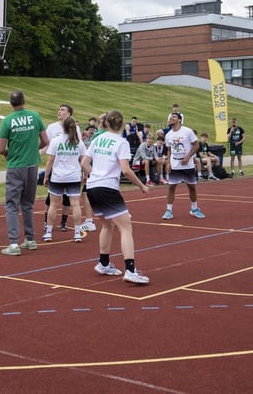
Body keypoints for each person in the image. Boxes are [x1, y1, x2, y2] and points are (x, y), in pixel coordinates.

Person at [81, 109, 150, 284]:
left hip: (92, 187)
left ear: (107, 123)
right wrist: (141, 185)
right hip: (107, 188)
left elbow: (84, 163)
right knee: (126, 228)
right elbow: (126, 169)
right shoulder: (121, 142)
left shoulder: (97, 139)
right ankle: (130, 270)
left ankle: (103, 263)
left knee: (107, 225)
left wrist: (95, 175)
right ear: (121, 123)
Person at [0, 90, 48, 256]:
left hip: (15, 166)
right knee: (27, 204)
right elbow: (45, 141)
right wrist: (34, 149)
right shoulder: (35, 116)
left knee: (12, 205)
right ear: (23, 101)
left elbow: (0, 148)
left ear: (11, 103)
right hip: (32, 165)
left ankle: (13, 244)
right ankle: (30, 239)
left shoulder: (7, 121)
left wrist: (7, 154)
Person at [43, 116, 86, 243]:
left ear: (63, 127)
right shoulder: (79, 142)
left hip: (58, 177)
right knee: (75, 204)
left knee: (53, 205)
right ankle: (77, 232)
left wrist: (46, 176)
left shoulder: (56, 141)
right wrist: (85, 175)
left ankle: (49, 232)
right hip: (73, 176)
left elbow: (50, 160)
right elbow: (83, 161)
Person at [162, 112, 204, 219]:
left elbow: (196, 145)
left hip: (187, 164)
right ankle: (169, 210)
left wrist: (188, 157)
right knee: (171, 187)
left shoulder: (187, 131)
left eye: (174, 117)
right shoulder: (168, 135)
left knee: (192, 187)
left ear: (179, 120)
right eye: (171, 117)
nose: (171, 118)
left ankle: (194, 209)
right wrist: (168, 163)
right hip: (175, 164)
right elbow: (169, 150)